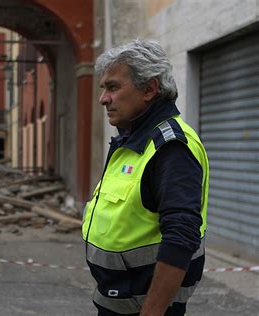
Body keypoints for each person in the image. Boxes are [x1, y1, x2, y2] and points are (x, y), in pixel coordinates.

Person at [82, 39, 209, 316]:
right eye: (104, 88)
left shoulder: (170, 146)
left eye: (113, 87)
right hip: (119, 302)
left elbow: (181, 237)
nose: (103, 98)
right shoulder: (131, 141)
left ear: (149, 89)